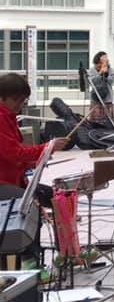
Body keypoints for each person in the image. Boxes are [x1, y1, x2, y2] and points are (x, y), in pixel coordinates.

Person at [0, 74, 68, 261]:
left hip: (14, 179)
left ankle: (65, 254)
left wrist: (38, 159)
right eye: (16, 99)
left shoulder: (9, 117)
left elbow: (13, 155)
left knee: (55, 197)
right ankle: (29, 259)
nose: (20, 104)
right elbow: (13, 153)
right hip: (3, 182)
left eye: (23, 100)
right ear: (2, 98)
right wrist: (47, 148)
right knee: (30, 209)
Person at [89, 51, 114, 117]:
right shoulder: (92, 70)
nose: (100, 65)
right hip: (96, 98)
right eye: (99, 63)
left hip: (107, 99)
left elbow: (111, 81)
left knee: (108, 119)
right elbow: (92, 82)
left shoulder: (110, 70)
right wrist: (100, 73)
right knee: (96, 120)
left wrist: (106, 74)